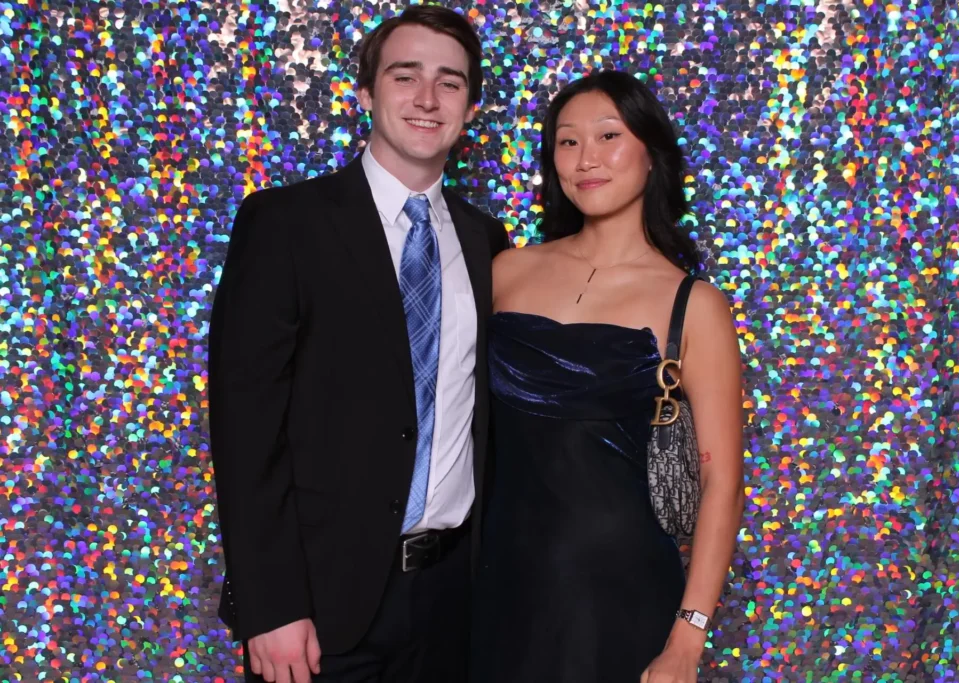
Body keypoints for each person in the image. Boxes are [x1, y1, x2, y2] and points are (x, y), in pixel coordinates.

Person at [208, 6, 508, 682]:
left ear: (471, 106)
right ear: (366, 93)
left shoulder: (488, 244)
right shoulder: (285, 224)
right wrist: (270, 603)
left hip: (453, 601)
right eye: (406, 77)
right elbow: (244, 425)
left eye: (450, 82)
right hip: (319, 605)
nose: (427, 99)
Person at [470, 70, 745, 683]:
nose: (585, 159)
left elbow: (720, 478)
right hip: (496, 583)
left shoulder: (693, 304)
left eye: (608, 136)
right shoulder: (507, 271)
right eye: (567, 142)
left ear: (652, 155)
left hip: (619, 593)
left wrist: (687, 639)